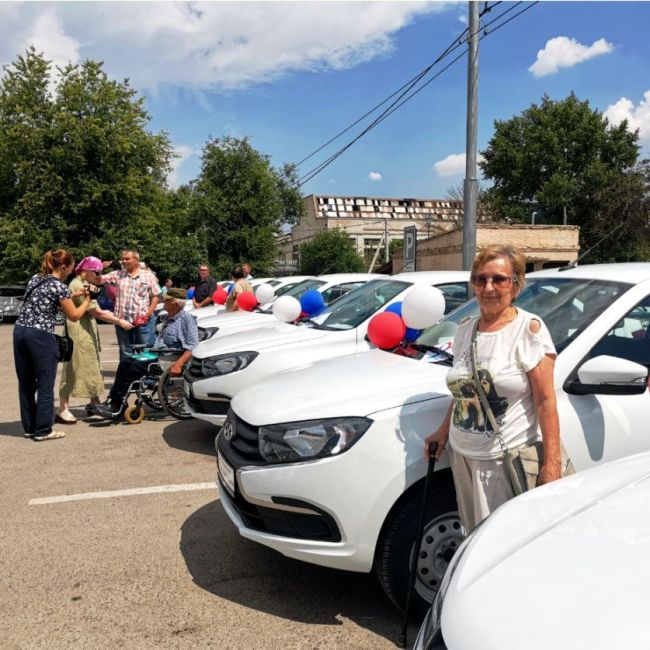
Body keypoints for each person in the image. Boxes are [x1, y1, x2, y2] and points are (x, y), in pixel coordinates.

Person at [425, 245, 562, 533]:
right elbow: (466, 389)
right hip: (462, 455)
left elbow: (546, 401)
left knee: (503, 540)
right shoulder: (465, 329)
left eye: (499, 279)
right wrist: (442, 431)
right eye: (481, 279)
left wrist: (551, 465)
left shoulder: (528, 330)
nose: (489, 287)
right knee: (472, 535)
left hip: (502, 461)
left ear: (516, 284)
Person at [13, 250, 93, 441]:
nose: (72, 271)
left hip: (20, 331)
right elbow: (73, 315)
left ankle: (30, 427)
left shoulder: (36, 278)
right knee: (45, 383)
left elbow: (47, 297)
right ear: (63, 266)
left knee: (26, 383)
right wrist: (87, 301)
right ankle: (44, 430)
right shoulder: (59, 287)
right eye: (71, 268)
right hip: (40, 336)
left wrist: (75, 293)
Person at [93, 288, 199, 420]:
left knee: (134, 367)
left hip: (167, 358)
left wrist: (179, 364)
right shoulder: (167, 317)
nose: (163, 302)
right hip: (155, 354)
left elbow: (193, 346)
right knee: (126, 361)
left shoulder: (186, 320)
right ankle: (115, 401)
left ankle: (116, 404)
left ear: (176, 304)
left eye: (166, 300)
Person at [56, 256, 134, 424]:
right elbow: (96, 312)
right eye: (97, 272)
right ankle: (63, 408)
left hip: (86, 331)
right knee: (73, 369)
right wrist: (119, 321)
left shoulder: (84, 283)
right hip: (78, 333)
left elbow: (96, 300)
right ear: (86, 271)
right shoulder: (77, 285)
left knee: (92, 366)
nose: (98, 275)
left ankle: (94, 402)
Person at [85, 249, 160, 359]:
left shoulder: (148, 276)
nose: (124, 261)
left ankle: (145, 376)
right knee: (126, 354)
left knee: (145, 353)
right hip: (122, 322)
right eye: (123, 259)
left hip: (143, 322)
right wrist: (100, 267)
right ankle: (128, 375)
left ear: (136, 260)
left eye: (127, 259)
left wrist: (147, 315)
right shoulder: (117, 275)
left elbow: (155, 296)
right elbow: (96, 280)